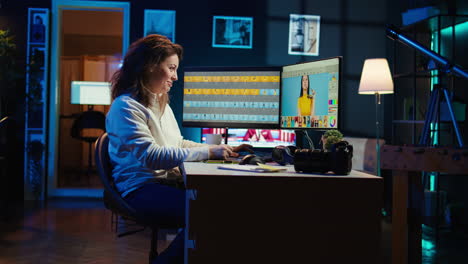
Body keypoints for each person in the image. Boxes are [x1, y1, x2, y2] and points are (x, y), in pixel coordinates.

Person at [106, 34, 249, 264]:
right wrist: (209, 153)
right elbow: (152, 156)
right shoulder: (125, 107)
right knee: (207, 213)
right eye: (171, 68)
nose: (175, 76)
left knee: (221, 206)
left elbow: (177, 144)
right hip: (140, 190)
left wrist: (218, 148)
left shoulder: (158, 100)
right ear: (150, 65)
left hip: (161, 183)